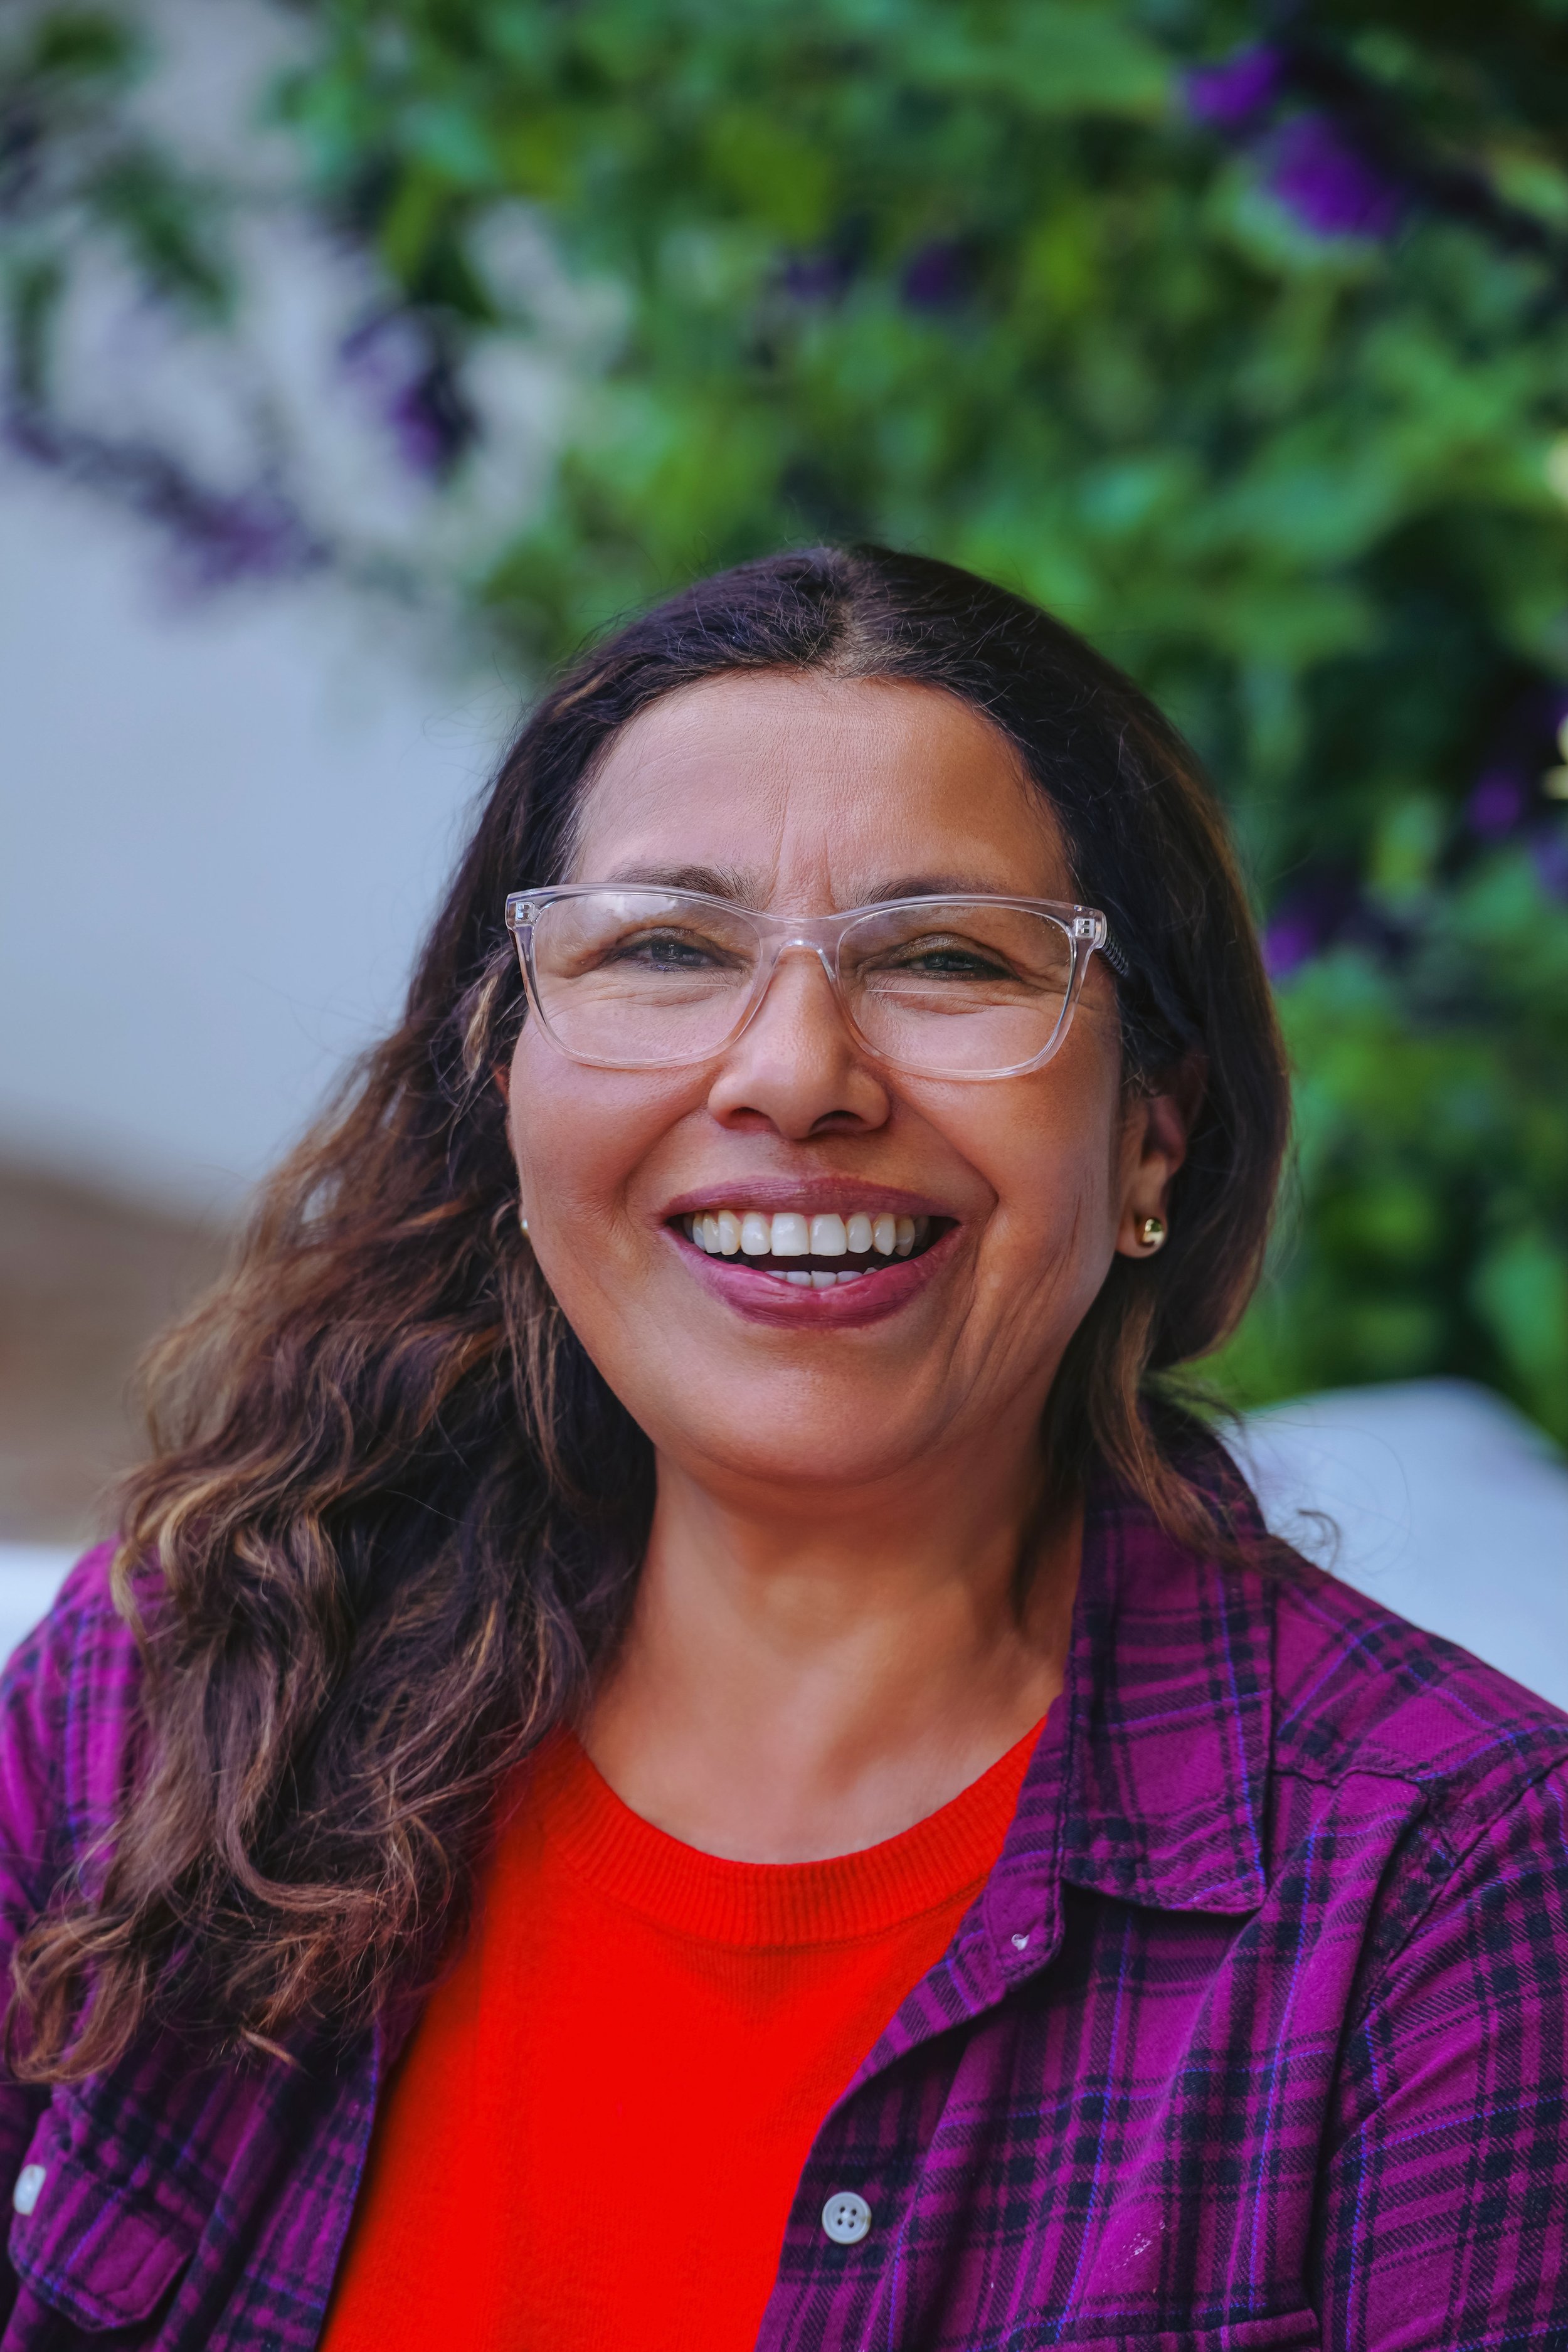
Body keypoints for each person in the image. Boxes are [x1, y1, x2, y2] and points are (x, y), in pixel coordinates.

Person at [1, 547, 1564, 2351]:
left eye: (948, 959)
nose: (795, 1072)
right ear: (502, 1080)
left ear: (1151, 1133)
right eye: (665, 947)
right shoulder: (184, 1686)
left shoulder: (1444, 1887)